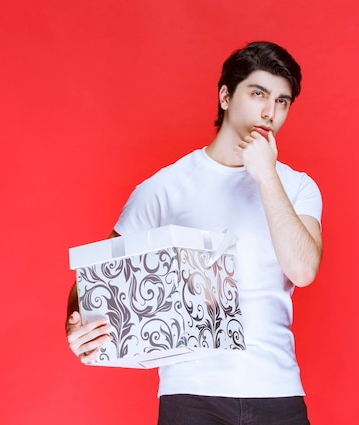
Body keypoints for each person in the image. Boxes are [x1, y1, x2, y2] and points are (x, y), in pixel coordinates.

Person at [66, 41, 323, 425]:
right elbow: (94, 282)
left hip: (277, 391)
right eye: (258, 94)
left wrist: (266, 175)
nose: (270, 113)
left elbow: (302, 271)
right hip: (191, 396)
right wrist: (76, 325)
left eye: (282, 102)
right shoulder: (163, 188)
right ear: (225, 96)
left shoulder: (299, 187)